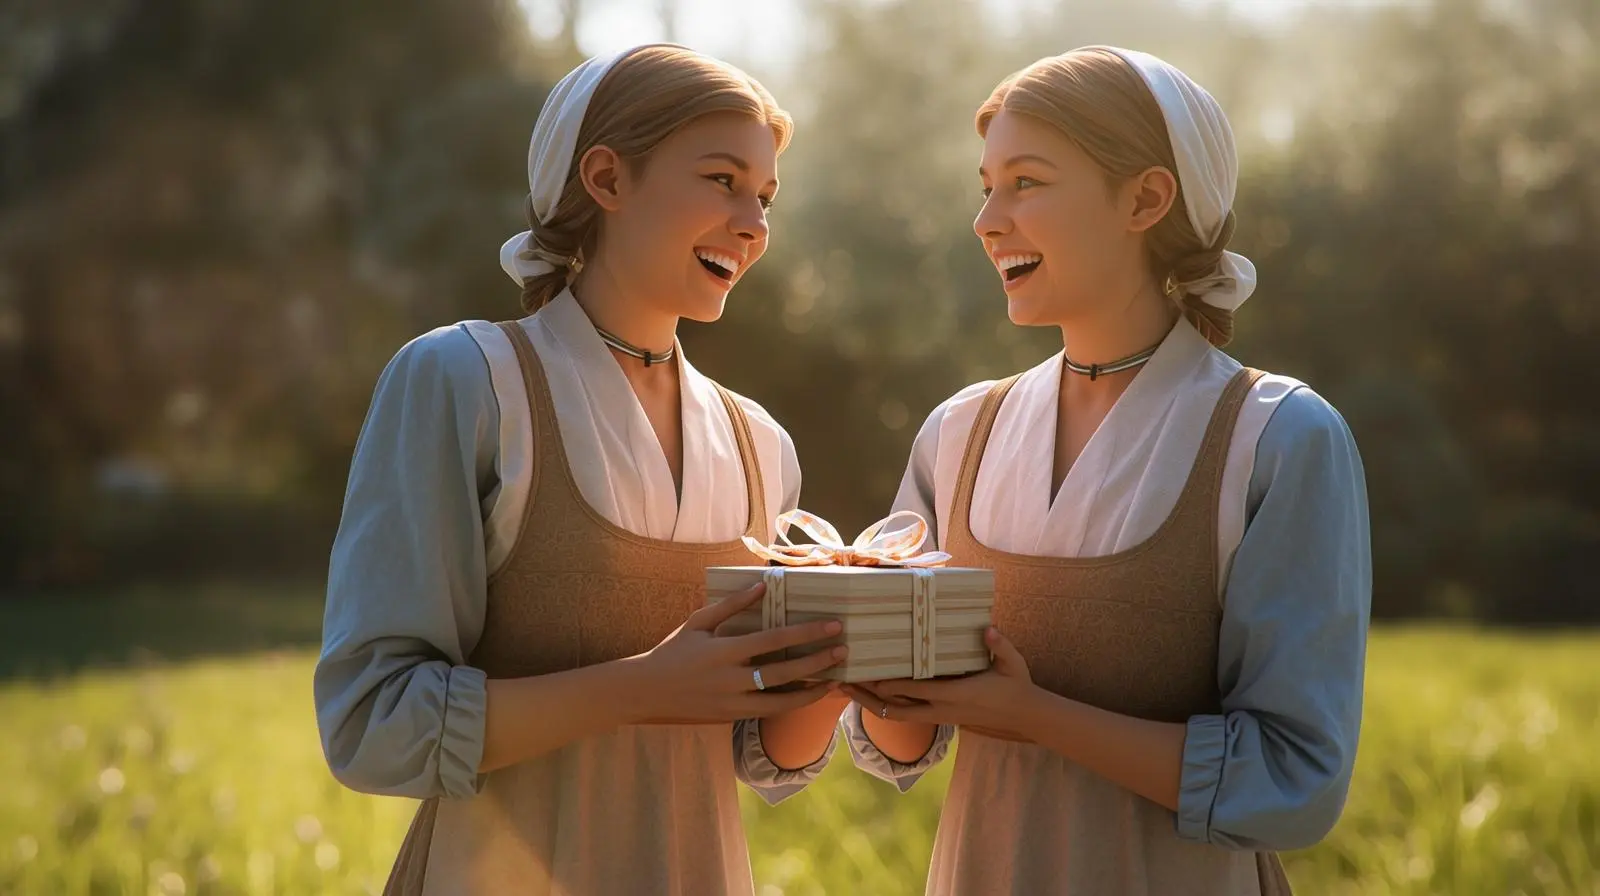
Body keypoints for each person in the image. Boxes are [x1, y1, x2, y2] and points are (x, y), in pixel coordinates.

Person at [314, 44, 847, 895]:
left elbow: (759, 751)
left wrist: (847, 668)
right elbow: (371, 724)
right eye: (720, 179)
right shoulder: (466, 381)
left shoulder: (759, 444)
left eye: (766, 196)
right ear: (605, 177)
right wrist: (638, 688)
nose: (753, 223)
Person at [841, 46, 1372, 895]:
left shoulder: (1277, 438)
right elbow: (900, 745)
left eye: (1026, 182)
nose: (986, 219)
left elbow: (1294, 779)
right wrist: (874, 677)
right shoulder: (958, 433)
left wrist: (1033, 716)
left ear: (1146, 198)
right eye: (985, 185)